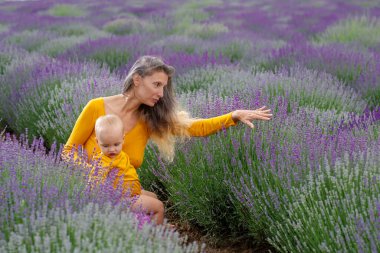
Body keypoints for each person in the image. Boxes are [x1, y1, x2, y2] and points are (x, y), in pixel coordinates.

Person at [62, 55, 272, 224]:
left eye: (163, 87)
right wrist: (93, 174)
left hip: (122, 188)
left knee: (152, 198)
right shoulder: (96, 107)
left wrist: (233, 116)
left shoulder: (149, 118)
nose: (161, 93)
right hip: (92, 188)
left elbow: (195, 128)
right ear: (137, 80)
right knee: (155, 207)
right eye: (156, 84)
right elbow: (68, 151)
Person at [89, 114, 164, 224]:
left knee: (154, 196)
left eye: (116, 144)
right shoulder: (102, 162)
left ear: (123, 139)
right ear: (97, 142)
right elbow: (93, 185)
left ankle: (148, 223)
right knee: (159, 207)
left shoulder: (121, 155)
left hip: (132, 193)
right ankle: (156, 234)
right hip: (122, 200)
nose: (112, 149)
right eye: (106, 146)